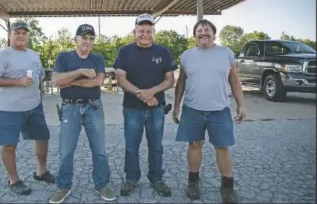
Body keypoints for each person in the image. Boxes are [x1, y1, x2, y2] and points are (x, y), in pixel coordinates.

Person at [173, 19, 247, 203]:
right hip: (192, 109)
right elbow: (181, 81)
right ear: (195, 35)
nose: (203, 32)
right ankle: (193, 182)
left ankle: (228, 187)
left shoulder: (226, 53)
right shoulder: (186, 56)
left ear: (214, 34)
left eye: (207, 30)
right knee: (194, 145)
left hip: (219, 110)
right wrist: (176, 106)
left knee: (222, 147)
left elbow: (235, 81)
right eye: (200, 30)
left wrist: (241, 104)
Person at [49, 24, 116, 204]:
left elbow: (98, 81)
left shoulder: (97, 58)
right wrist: (80, 72)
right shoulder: (64, 57)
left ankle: (102, 184)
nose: (87, 41)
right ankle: (63, 186)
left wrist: (70, 81)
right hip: (70, 108)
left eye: (91, 38)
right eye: (84, 37)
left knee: (100, 150)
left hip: (93, 107)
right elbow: (55, 80)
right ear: (76, 39)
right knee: (66, 151)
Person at [0, 21, 54, 195]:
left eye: (24, 33)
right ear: (10, 35)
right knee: (9, 145)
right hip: (9, 109)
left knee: (43, 137)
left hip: (34, 106)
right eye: (17, 32)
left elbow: (39, 76)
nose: (21, 35)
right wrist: (17, 82)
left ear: (28, 36)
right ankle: (14, 180)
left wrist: (40, 90)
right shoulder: (2, 55)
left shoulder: (34, 55)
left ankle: (41, 172)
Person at [113, 13, 176, 197]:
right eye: (141, 30)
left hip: (157, 108)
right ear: (135, 31)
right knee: (132, 146)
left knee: (156, 146)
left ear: (153, 32)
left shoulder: (163, 51)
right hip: (132, 108)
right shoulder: (125, 51)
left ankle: (156, 178)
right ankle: (131, 178)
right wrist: (143, 95)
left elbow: (170, 79)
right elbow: (120, 79)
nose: (145, 34)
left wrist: (152, 92)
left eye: (149, 31)